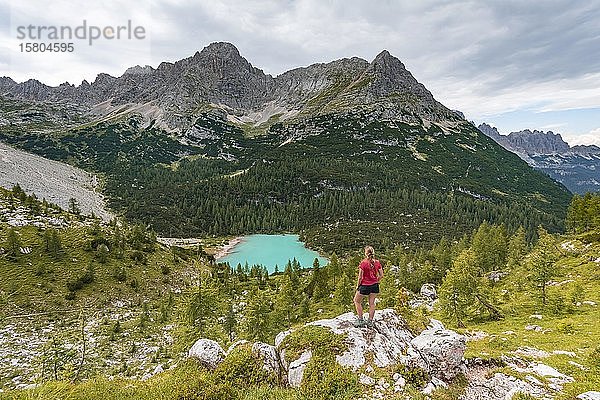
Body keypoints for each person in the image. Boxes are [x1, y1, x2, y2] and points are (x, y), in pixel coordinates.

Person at [353, 245, 383, 328]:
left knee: (357, 301)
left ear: (366, 254)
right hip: (375, 285)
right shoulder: (377, 262)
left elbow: (360, 277)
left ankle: (360, 320)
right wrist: (376, 280)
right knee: (372, 303)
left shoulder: (363, 263)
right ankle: (370, 321)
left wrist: (357, 286)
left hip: (365, 286)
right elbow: (381, 275)